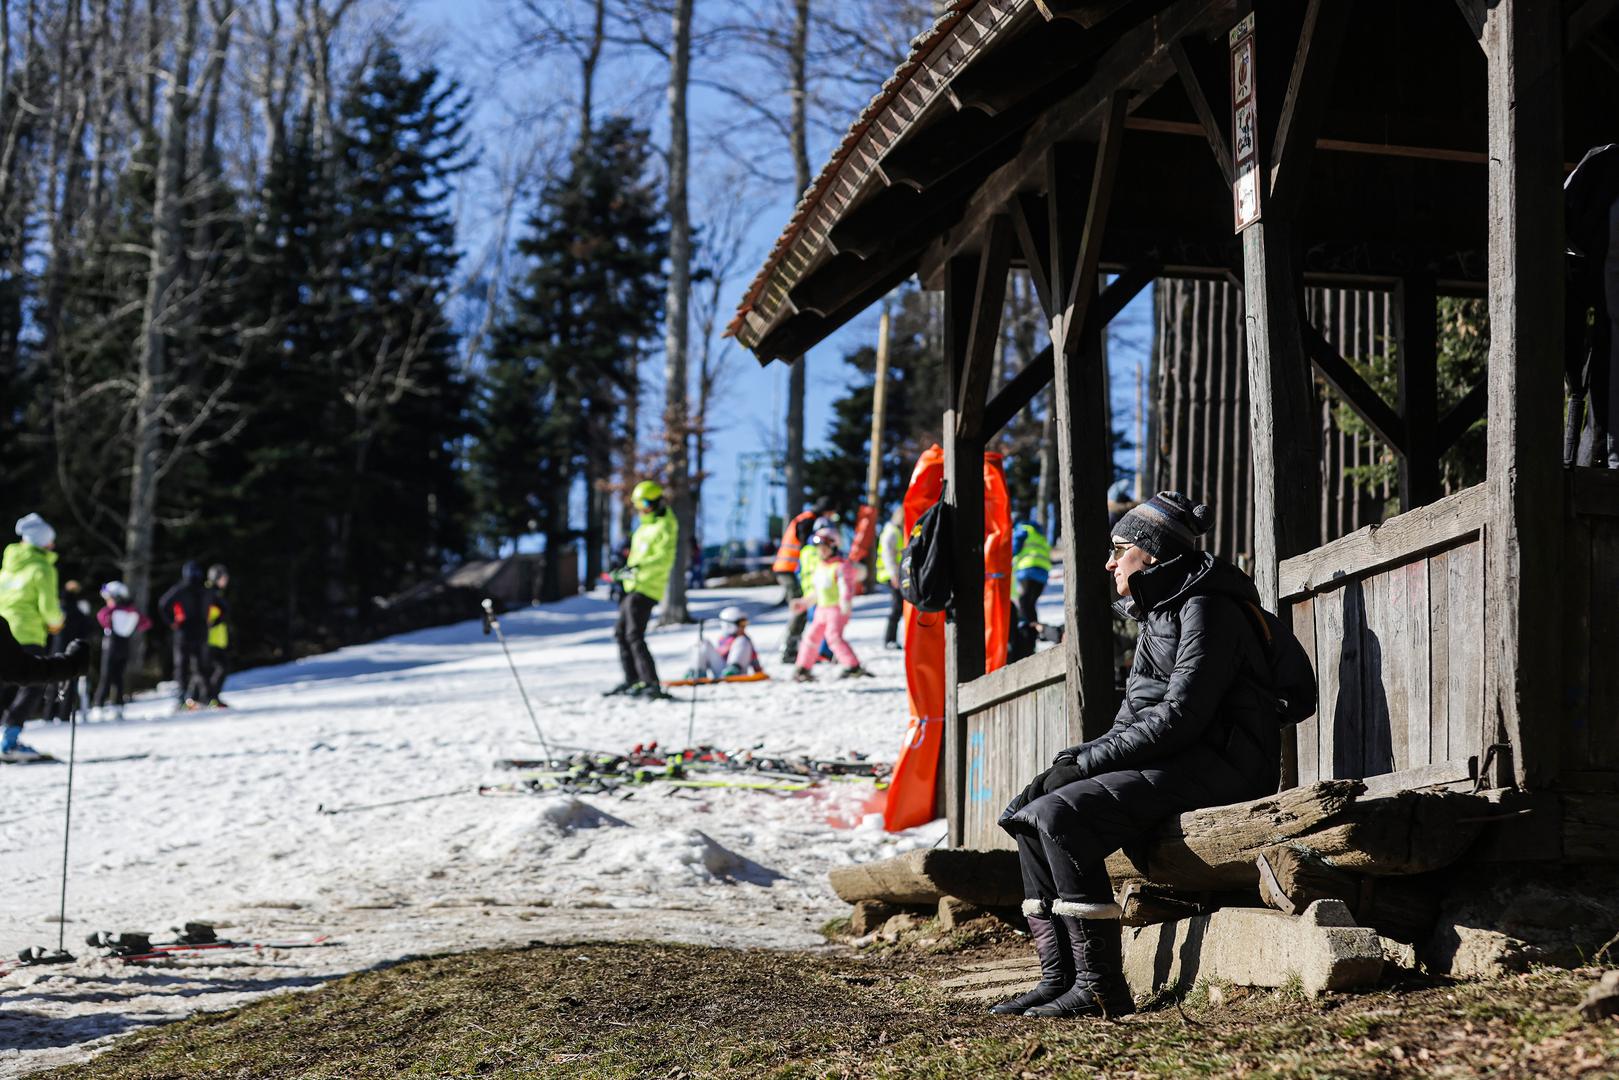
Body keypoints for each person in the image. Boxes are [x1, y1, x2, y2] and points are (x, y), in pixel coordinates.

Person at [994, 492, 1277, 1019]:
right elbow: (1134, 719)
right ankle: (1060, 978)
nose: (1109, 562)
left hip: (1224, 765)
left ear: (1152, 554)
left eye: (1118, 549)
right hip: (1180, 760)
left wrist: (1086, 764)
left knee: (1060, 816)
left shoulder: (1207, 609)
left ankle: (1101, 986)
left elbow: (1181, 717)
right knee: (1029, 814)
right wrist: (1075, 760)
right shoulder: (1161, 612)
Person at [0, 514, 73, 760]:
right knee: (32, 684)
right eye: (50, 541)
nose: (52, 545)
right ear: (43, 542)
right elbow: (49, 609)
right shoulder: (42, 568)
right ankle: (9, 741)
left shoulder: (7, 567)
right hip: (27, 633)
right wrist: (57, 623)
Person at [606, 480, 678, 700]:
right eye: (638, 504)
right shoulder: (643, 527)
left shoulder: (665, 525)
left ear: (656, 502)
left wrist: (638, 568)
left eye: (645, 502)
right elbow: (636, 556)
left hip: (648, 586)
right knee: (621, 633)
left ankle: (650, 682)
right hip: (633, 585)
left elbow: (663, 558)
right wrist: (624, 569)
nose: (641, 508)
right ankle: (633, 679)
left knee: (634, 634)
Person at [792, 529, 869, 682]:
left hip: (836, 609)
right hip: (821, 609)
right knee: (811, 636)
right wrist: (803, 603)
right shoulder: (820, 567)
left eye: (825, 548)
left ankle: (852, 666)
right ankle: (803, 667)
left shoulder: (841, 566)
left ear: (833, 547)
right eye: (819, 548)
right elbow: (817, 592)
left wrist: (845, 602)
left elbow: (845, 587)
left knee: (833, 637)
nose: (821, 551)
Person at [772, 497, 830, 663]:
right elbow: (806, 547)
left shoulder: (804, 518)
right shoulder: (808, 521)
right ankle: (789, 649)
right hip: (788, 568)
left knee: (802, 609)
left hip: (788, 567)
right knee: (801, 608)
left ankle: (794, 648)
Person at [93, 580, 151, 720]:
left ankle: (98, 706)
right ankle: (117, 705)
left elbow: (101, 616)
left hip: (111, 646)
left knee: (106, 677)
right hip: (125, 647)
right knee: (118, 677)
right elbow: (146, 623)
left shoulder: (112, 611)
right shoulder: (132, 611)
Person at [158, 561, 211, 710]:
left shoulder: (183, 589)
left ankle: (192, 698)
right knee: (196, 666)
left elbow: (163, 604)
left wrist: (172, 622)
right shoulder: (201, 589)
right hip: (193, 631)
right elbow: (163, 604)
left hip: (187, 632)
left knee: (186, 666)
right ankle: (199, 697)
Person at [46, 579, 99, 722]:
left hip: (56, 649)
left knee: (53, 682)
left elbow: (49, 628)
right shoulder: (79, 610)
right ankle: (63, 715)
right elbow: (89, 629)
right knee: (70, 684)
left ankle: (49, 715)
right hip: (72, 651)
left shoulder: (57, 607)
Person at [1008, 517, 1053, 662]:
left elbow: (1014, 547)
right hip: (1042, 572)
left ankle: (1026, 636)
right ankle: (1034, 632)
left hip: (1027, 569)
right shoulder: (1039, 533)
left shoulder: (1022, 529)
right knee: (1029, 604)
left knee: (1023, 602)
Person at [684, 606, 764, 680]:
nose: (744, 627)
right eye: (741, 624)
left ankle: (733, 669)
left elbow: (754, 658)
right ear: (729, 625)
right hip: (721, 671)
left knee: (741, 640)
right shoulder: (722, 639)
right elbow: (716, 657)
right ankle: (697, 671)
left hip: (739, 671)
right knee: (704, 643)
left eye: (745, 623)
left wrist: (759, 672)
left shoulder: (745, 640)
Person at [201, 564, 231, 707]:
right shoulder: (209, 592)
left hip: (218, 638)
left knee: (219, 668)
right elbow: (209, 615)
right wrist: (217, 618)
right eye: (223, 577)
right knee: (212, 669)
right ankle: (207, 697)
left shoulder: (216, 592)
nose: (226, 581)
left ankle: (211, 697)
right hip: (210, 638)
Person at [876, 506, 904, 650]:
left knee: (898, 607)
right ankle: (889, 639)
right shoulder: (892, 532)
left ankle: (891, 639)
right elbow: (888, 556)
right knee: (897, 607)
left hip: (895, 574)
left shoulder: (895, 531)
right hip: (891, 575)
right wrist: (894, 575)